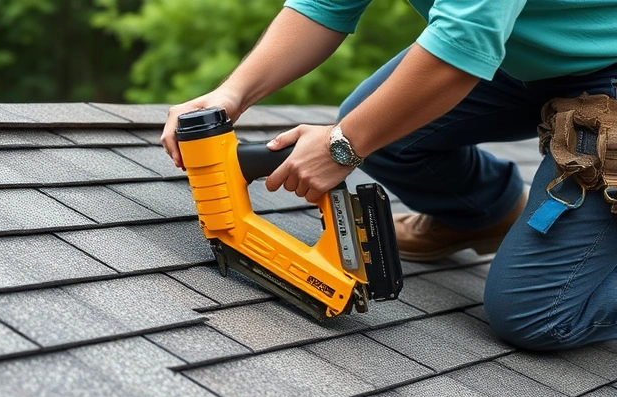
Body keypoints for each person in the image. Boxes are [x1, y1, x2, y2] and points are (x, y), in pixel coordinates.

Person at [161, 1, 617, 351]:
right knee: (382, 124)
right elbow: (323, 7)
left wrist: (344, 145)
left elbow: (464, 40)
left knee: (535, 315)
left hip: (604, 73)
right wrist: (231, 94)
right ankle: (482, 213)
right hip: (519, 55)